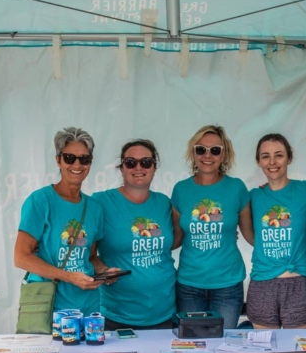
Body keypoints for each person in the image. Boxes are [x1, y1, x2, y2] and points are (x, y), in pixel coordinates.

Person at [13, 127, 107, 314]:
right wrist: (69, 277)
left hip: (88, 306)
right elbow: (21, 257)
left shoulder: (94, 208)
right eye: (69, 158)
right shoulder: (40, 201)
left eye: (84, 159)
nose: (77, 164)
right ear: (58, 160)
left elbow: (90, 257)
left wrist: (105, 271)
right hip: (49, 308)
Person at [171, 125, 253, 329]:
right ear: (193, 153)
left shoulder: (237, 188)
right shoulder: (181, 190)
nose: (207, 155)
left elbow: (251, 236)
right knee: (193, 343)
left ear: (224, 155)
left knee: (223, 343)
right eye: (201, 149)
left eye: (215, 150)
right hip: (189, 285)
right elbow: (175, 239)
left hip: (228, 284)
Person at [93, 140, 181, 330]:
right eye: (131, 162)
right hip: (116, 315)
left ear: (154, 168)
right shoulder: (101, 202)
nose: (138, 167)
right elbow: (88, 254)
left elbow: (177, 239)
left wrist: (226, 232)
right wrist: (103, 270)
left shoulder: (164, 202)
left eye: (146, 162)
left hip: (165, 313)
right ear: (121, 168)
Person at [246, 133, 306, 329]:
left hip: (299, 283)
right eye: (265, 156)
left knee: (297, 347)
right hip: (262, 284)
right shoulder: (253, 196)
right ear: (259, 161)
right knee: (264, 347)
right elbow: (248, 232)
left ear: (289, 158)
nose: (272, 162)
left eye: (279, 155)